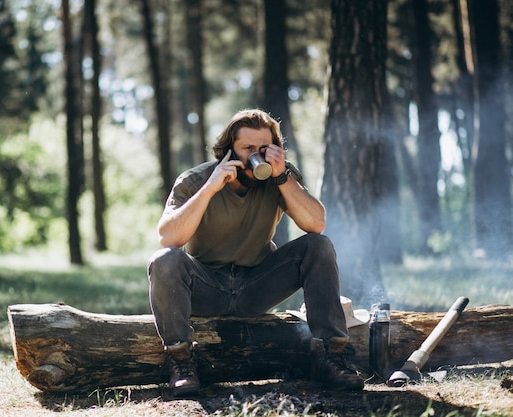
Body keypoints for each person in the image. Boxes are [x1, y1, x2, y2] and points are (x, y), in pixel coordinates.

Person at [147, 109, 364, 396]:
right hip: (206, 287)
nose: (256, 156)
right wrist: (211, 188)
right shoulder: (196, 180)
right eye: (247, 149)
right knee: (164, 260)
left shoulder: (281, 176)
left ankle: (330, 356)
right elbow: (168, 238)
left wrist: (282, 176)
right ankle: (181, 361)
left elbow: (316, 223)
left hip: (257, 287)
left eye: (263, 148)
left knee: (317, 245)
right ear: (229, 151)